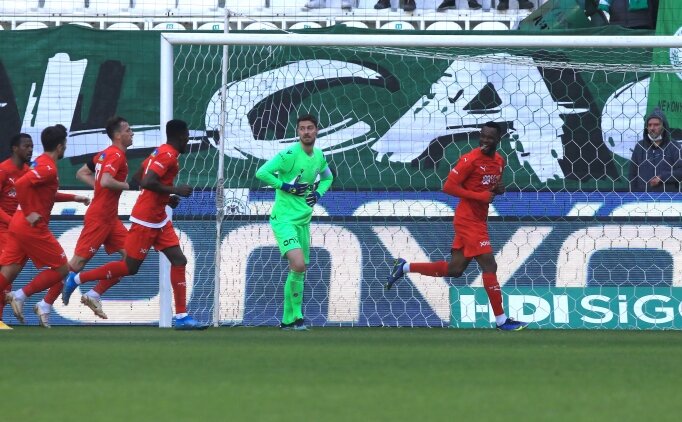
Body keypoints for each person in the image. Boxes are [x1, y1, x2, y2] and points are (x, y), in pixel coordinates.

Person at [62, 120, 206, 330]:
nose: (188, 140)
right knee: (129, 267)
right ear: (182, 137)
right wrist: (174, 190)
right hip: (145, 219)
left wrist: (165, 198)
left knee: (179, 260)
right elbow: (146, 181)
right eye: (187, 137)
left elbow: (140, 175)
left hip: (159, 217)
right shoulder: (166, 155)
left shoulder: (162, 151)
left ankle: (182, 316)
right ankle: (77, 280)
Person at [386, 121, 528, 331]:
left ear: (498, 139)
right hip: (467, 219)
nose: (485, 140)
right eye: (482, 136)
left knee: (455, 269)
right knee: (489, 265)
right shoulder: (469, 159)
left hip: (479, 219)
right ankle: (501, 321)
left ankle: (404, 267)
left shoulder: (499, 161)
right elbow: (448, 187)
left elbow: (488, 189)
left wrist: (498, 190)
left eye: (490, 137)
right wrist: (479, 196)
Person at [2, 125, 90, 328]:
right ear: (60, 146)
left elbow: (46, 193)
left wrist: (74, 197)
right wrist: (29, 212)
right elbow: (20, 185)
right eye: (65, 144)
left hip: (18, 224)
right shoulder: (47, 168)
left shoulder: (41, 163)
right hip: (31, 227)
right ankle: (20, 296)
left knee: (7, 273)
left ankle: (18, 297)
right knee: (62, 269)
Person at [255, 114, 334, 330]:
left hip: (303, 220)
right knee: (298, 264)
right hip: (283, 220)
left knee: (298, 269)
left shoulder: (319, 156)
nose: (306, 132)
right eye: (302, 128)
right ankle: (298, 316)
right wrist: (286, 186)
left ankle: (287, 320)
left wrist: (318, 194)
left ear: (317, 130)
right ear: (297, 132)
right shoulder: (289, 154)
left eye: (310, 128)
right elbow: (261, 172)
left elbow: (328, 177)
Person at [60, 116, 133, 319]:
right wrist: (128, 185)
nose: (132, 133)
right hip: (100, 217)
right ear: (117, 135)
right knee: (76, 264)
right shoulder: (116, 155)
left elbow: (81, 173)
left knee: (131, 259)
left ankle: (94, 294)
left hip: (110, 218)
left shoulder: (104, 154)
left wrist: (99, 188)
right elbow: (107, 181)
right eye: (128, 130)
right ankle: (45, 303)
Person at [0, 133, 33, 324]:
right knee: (6, 275)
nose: (30, 150)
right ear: (14, 148)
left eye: (31, 146)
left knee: (7, 277)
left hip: (18, 231)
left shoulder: (28, 172)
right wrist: (11, 222)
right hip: (4, 229)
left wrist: (74, 198)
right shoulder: (3, 170)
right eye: (26, 146)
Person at [629, 108, 682, 192]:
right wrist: (633, 194)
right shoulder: (640, 146)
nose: (652, 128)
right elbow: (632, 174)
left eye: (656, 125)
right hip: (642, 196)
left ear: (664, 126)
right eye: (649, 125)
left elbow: (680, 171)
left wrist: (662, 177)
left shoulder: (674, 146)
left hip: (667, 197)